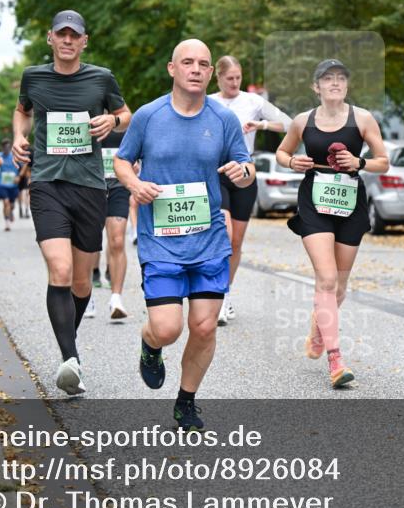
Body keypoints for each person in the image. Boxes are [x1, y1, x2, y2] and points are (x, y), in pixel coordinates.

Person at [115, 39, 255, 431]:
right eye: (188, 62)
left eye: (203, 64)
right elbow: (122, 160)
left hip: (209, 240)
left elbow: (246, 167)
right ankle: (150, 344)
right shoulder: (149, 115)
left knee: (205, 327)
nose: (196, 69)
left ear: (210, 73)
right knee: (167, 328)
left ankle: (186, 401)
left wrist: (243, 173)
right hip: (161, 240)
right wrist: (134, 184)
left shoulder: (223, 119)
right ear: (172, 68)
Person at [12, 9, 131, 396]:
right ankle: (71, 358)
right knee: (60, 271)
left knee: (81, 283)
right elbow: (22, 110)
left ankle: (69, 351)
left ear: (84, 41)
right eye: (61, 34)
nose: (67, 40)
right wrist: (18, 137)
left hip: (90, 187)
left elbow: (125, 114)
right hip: (47, 183)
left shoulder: (101, 78)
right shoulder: (34, 77)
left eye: (74, 35)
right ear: (50, 38)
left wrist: (113, 122)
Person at [276, 59, 389, 388]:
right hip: (314, 200)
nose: (335, 83)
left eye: (341, 78)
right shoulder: (303, 121)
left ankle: (318, 327)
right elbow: (282, 153)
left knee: (338, 287)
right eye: (328, 79)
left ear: (347, 85)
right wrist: (292, 161)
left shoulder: (362, 119)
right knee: (326, 279)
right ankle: (336, 361)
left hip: (350, 201)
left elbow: (383, 161)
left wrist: (359, 161)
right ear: (317, 87)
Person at [208, 55, 291, 326]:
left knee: (236, 242)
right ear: (218, 78)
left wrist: (261, 124)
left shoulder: (253, 102)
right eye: (229, 78)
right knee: (225, 234)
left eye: (238, 78)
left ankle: (225, 293)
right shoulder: (208, 101)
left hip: (245, 171)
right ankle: (216, 295)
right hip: (218, 171)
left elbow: (289, 124)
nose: (234, 83)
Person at [101, 130, 130, 322]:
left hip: (118, 185)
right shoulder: (87, 118)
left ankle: (116, 298)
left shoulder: (128, 124)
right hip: (90, 185)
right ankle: (84, 295)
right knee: (89, 242)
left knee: (117, 240)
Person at [0, 139, 22, 231]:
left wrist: (19, 176)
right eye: (5, 147)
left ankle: (10, 211)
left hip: (13, 185)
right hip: (2, 184)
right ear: (2, 147)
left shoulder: (15, 156)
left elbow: (24, 166)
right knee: (6, 202)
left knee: (11, 205)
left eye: (8, 147)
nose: (6, 149)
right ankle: (7, 223)